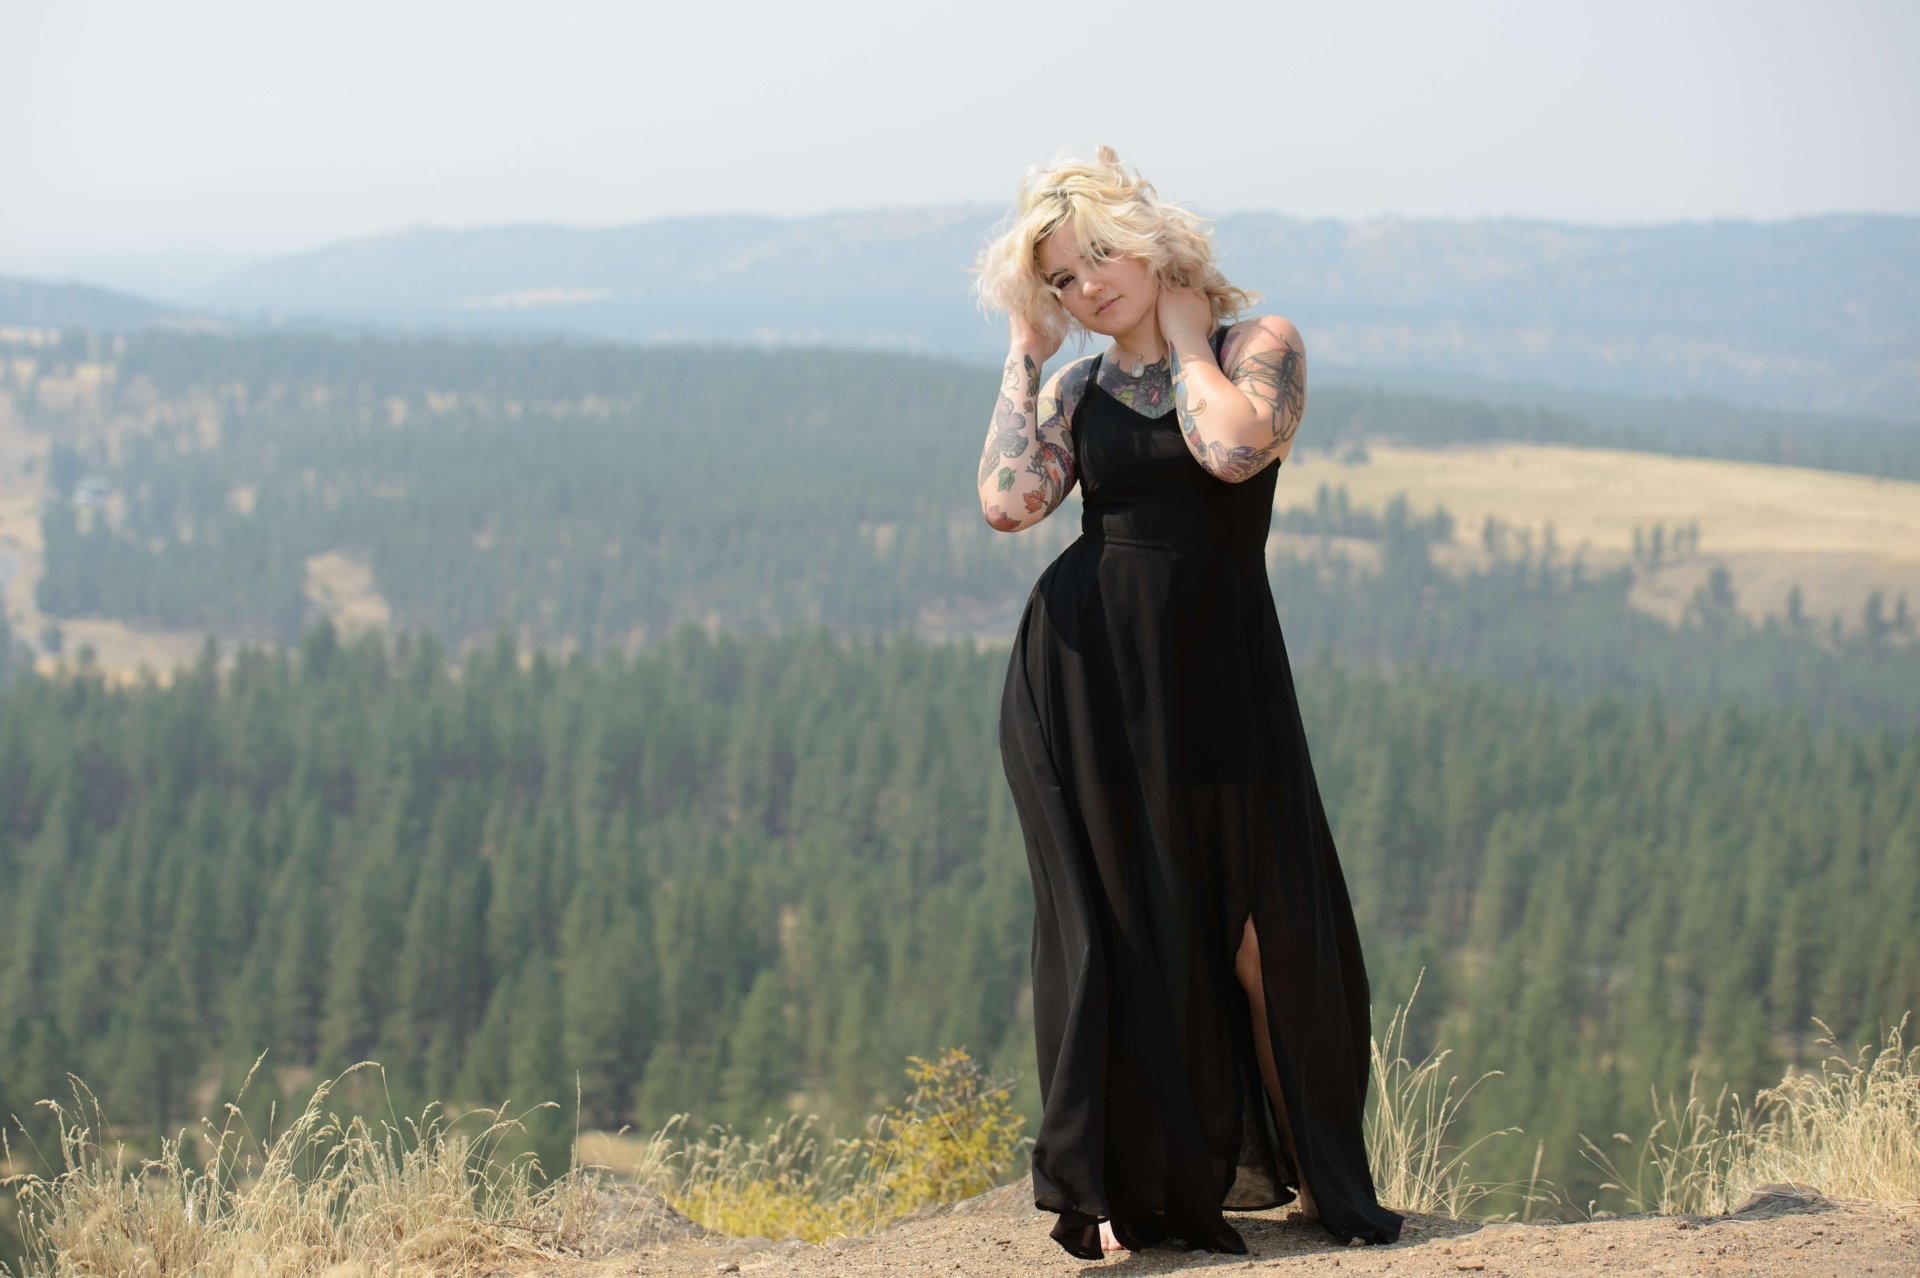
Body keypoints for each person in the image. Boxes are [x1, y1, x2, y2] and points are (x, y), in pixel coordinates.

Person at [972, 146, 1404, 1259]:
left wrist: (1181, 335)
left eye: (1098, 258)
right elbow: (1009, 503)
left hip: (1222, 679)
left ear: (1152, 242)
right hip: (1091, 684)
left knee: (1271, 939)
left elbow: (1231, 452)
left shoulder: (1260, 348)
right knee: (1124, 934)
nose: (1084, 289)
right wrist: (1024, 354)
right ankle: (1140, 1195)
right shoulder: (1077, 387)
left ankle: (1322, 1182)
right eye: (1060, 280)